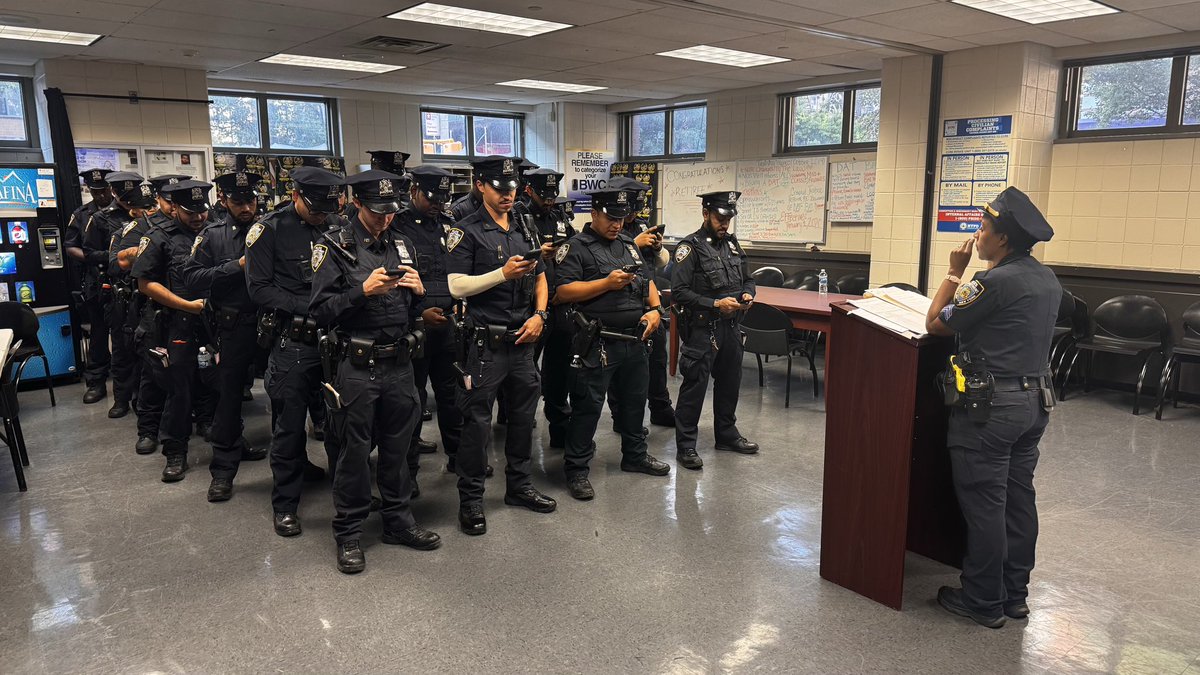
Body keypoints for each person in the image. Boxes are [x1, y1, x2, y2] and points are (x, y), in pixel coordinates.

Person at [923, 186, 1060, 629]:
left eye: (982, 229)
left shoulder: (991, 282)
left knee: (985, 503)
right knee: (1017, 500)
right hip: (1033, 402)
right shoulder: (1045, 278)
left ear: (1002, 239)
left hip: (992, 408)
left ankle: (982, 599)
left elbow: (937, 324)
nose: (976, 235)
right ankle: (1013, 594)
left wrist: (952, 272)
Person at [311, 169, 441, 574]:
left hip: (400, 364)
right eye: (377, 211)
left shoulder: (402, 244)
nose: (385, 218)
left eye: (390, 211)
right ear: (356, 205)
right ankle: (348, 533)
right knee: (353, 454)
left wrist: (421, 294)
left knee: (400, 450)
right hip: (357, 365)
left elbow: (416, 312)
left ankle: (398, 522)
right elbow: (318, 312)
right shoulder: (332, 246)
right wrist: (360, 292)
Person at [446, 155, 556, 536]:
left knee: (524, 420)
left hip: (523, 340)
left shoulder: (525, 225)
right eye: (500, 188)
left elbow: (541, 277)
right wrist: (501, 274)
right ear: (481, 186)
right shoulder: (466, 230)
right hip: (485, 344)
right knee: (476, 425)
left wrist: (540, 316)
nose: (508, 195)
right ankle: (472, 499)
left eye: (511, 188)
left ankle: (520, 486)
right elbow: (456, 285)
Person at [245, 166, 345, 538]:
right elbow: (259, 289)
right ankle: (285, 505)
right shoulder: (268, 230)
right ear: (296, 196)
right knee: (289, 428)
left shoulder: (336, 225)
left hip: (335, 342)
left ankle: (346, 494)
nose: (322, 214)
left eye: (327, 207)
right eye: (315, 207)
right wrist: (312, 306)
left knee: (341, 423)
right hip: (295, 341)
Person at [553, 186, 670, 500]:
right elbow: (562, 293)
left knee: (634, 403)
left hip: (635, 338)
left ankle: (635, 455)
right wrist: (605, 283)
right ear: (593, 213)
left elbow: (648, 284)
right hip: (597, 342)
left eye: (620, 217)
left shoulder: (629, 245)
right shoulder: (575, 247)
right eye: (610, 217)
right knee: (588, 407)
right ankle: (576, 470)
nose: (617, 223)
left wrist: (655, 311)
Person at [182, 171, 270, 502]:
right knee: (230, 399)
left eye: (251, 201)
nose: (246, 207)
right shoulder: (213, 235)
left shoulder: (272, 229)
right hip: (235, 326)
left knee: (288, 395)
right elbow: (192, 278)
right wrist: (238, 265)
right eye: (238, 202)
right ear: (223, 201)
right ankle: (223, 471)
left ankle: (296, 462)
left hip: (273, 323)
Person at [130, 180, 215, 482]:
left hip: (214, 321)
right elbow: (145, 284)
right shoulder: (159, 238)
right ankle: (175, 451)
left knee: (218, 382)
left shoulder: (214, 232)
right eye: (191, 212)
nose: (198, 218)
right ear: (174, 207)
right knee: (179, 389)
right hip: (176, 321)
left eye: (202, 211)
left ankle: (221, 436)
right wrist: (186, 305)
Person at [671, 191, 758, 470]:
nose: (724, 224)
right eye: (720, 218)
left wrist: (747, 295)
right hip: (702, 328)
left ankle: (727, 434)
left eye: (728, 218)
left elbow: (748, 279)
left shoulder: (732, 246)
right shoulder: (690, 247)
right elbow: (679, 292)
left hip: (731, 327)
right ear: (705, 213)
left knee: (730, 383)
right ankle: (686, 445)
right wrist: (714, 303)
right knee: (694, 387)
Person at [391, 165, 466, 491]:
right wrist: (420, 314)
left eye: (444, 197)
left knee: (452, 397)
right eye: (432, 196)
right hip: (414, 327)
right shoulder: (397, 227)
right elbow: (393, 283)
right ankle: (408, 473)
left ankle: (457, 457)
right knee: (412, 401)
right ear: (413, 192)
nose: (439, 203)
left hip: (449, 325)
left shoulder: (451, 227)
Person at [606, 176, 675, 430]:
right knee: (622, 368)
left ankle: (660, 407)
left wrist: (657, 248)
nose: (632, 215)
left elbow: (660, 263)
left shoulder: (643, 224)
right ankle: (620, 416)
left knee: (657, 359)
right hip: (622, 306)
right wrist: (634, 244)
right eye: (629, 210)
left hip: (649, 302)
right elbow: (605, 263)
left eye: (636, 209)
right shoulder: (609, 226)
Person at [520, 169, 577, 447]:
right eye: (544, 196)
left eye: (553, 196)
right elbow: (506, 261)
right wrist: (535, 256)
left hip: (560, 305)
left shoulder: (559, 218)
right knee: (526, 371)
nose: (550, 201)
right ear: (529, 190)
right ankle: (516, 420)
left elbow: (573, 249)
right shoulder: (517, 218)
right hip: (531, 307)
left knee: (559, 371)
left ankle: (559, 430)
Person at [78, 172, 144, 405]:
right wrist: (118, 255)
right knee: (120, 346)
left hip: (144, 288)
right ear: (115, 192)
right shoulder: (100, 218)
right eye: (125, 195)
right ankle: (121, 399)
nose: (130, 200)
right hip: (116, 287)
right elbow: (88, 252)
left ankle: (141, 397)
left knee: (143, 345)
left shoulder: (148, 213)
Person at [65, 168, 112, 294]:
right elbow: (70, 247)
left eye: (104, 190)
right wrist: (96, 257)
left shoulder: (124, 210)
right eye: (96, 192)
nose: (101, 195)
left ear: (111, 188)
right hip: (94, 275)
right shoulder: (81, 214)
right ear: (89, 189)